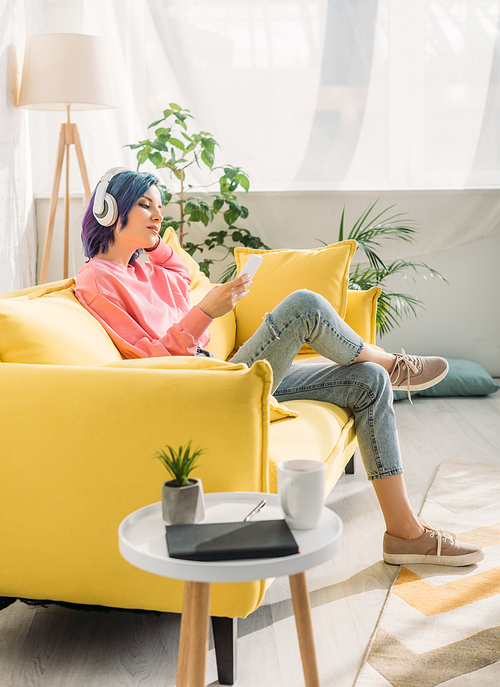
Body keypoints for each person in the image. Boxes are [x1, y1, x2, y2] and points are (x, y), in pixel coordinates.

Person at [76, 168, 484, 567]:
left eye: (160, 206)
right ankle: (395, 364)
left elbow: (180, 268)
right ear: (110, 211)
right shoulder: (97, 279)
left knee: (369, 380)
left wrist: (150, 245)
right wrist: (204, 312)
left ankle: (405, 534)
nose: (159, 216)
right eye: (146, 205)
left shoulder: (146, 266)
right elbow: (151, 360)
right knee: (303, 306)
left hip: (220, 370)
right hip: (203, 387)